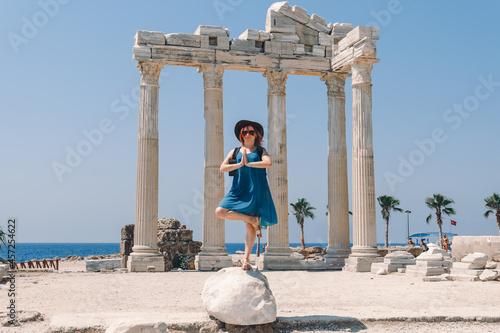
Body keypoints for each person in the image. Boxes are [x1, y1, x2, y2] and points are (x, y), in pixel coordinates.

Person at [215, 120, 278, 270]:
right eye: (245, 132)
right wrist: (239, 164)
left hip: (255, 189)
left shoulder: (261, 151)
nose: (248, 134)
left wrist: (249, 164)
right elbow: (222, 168)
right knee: (220, 211)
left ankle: (246, 259)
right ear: (240, 135)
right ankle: (251, 218)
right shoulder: (235, 151)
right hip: (238, 190)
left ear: (256, 135)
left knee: (250, 229)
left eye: (251, 132)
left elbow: (268, 164)